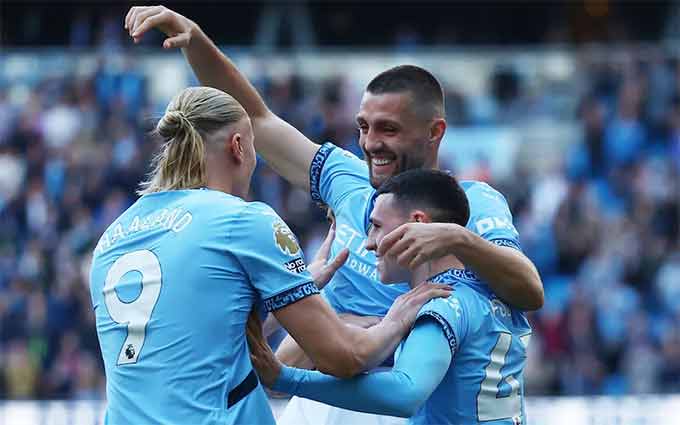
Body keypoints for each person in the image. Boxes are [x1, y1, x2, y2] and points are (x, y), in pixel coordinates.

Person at [124, 6, 543, 363]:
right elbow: (256, 119)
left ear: (435, 132)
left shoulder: (472, 203)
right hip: (322, 396)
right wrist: (196, 42)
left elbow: (529, 290)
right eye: (364, 126)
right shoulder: (345, 177)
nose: (370, 142)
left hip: (398, 399)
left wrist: (457, 239)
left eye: (388, 129)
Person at [88, 87, 451, 425]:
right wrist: (397, 318)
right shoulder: (243, 220)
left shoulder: (113, 237)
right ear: (238, 146)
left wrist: (294, 289)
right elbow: (343, 356)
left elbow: (199, 341)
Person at [248, 169, 532, 425]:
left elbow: (405, 392)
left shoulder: (441, 303)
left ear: (418, 224)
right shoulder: (495, 289)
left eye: (377, 226)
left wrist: (287, 378)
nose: (369, 242)